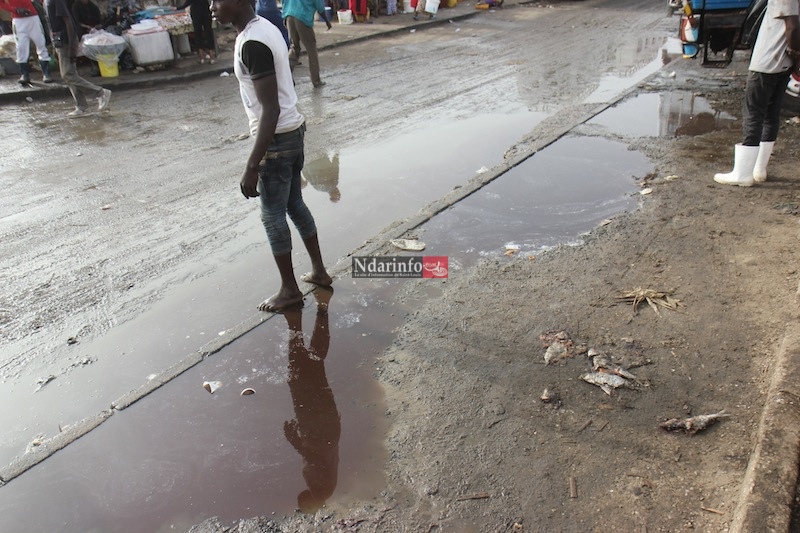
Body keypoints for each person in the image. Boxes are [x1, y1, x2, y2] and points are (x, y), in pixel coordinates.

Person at [210, 0, 333, 313]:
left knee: (272, 215)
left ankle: (290, 290)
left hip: (277, 141)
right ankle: (319, 271)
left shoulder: (253, 41)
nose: (212, 6)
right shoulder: (266, 28)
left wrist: (252, 166)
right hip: (293, 131)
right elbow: (284, 78)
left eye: (217, 0)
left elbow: (271, 109)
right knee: (294, 203)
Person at [713, 0, 800, 186]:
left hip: (767, 61)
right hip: (783, 62)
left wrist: (795, 51)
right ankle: (759, 169)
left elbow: (792, 26)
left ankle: (743, 174)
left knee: (753, 113)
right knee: (771, 114)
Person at [282, 288, 340, 513]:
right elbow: (315, 459)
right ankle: (295, 322)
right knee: (297, 375)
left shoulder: (325, 489)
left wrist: (301, 436)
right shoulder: (321, 490)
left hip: (326, 429)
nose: (300, 504)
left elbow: (318, 459)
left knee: (314, 367)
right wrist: (295, 440)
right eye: (303, 507)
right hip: (320, 431)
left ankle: (320, 310)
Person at [45, 0, 112, 117]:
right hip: (60, 41)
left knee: (67, 74)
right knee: (70, 75)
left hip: (67, 40)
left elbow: (68, 21)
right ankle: (81, 106)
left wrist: (72, 47)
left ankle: (100, 92)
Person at [0, 0, 53, 84]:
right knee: (21, 48)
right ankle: (24, 74)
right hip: (18, 20)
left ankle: (46, 73)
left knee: (41, 44)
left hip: (32, 17)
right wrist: (15, 10)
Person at [282, 0, 331, 88]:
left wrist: (285, 16)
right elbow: (319, 5)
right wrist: (327, 21)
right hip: (302, 17)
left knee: (294, 47)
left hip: (289, 15)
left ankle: (286, 77)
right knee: (311, 49)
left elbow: (284, 2)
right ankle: (316, 80)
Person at [71, 0, 102, 76]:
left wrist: (96, 26)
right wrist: (86, 27)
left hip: (94, 28)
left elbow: (99, 20)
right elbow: (77, 21)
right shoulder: (76, 7)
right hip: (82, 29)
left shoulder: (93, 7)